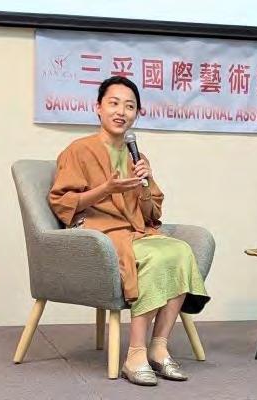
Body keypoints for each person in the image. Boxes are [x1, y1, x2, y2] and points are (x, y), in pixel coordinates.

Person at [49, 76, 210, 385]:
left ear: (137, 113)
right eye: (113, 103)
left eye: (129, 106)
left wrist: (148, 182)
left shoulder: (138, 156)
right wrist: (105, 189)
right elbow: (61, 203)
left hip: (136, 232)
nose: (121, 111)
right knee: (156, 256)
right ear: (98, 107)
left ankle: (158, 347)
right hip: (99, 235)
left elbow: (152, 215)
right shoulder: (78, 150)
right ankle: (135, 354)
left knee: (180, 250)